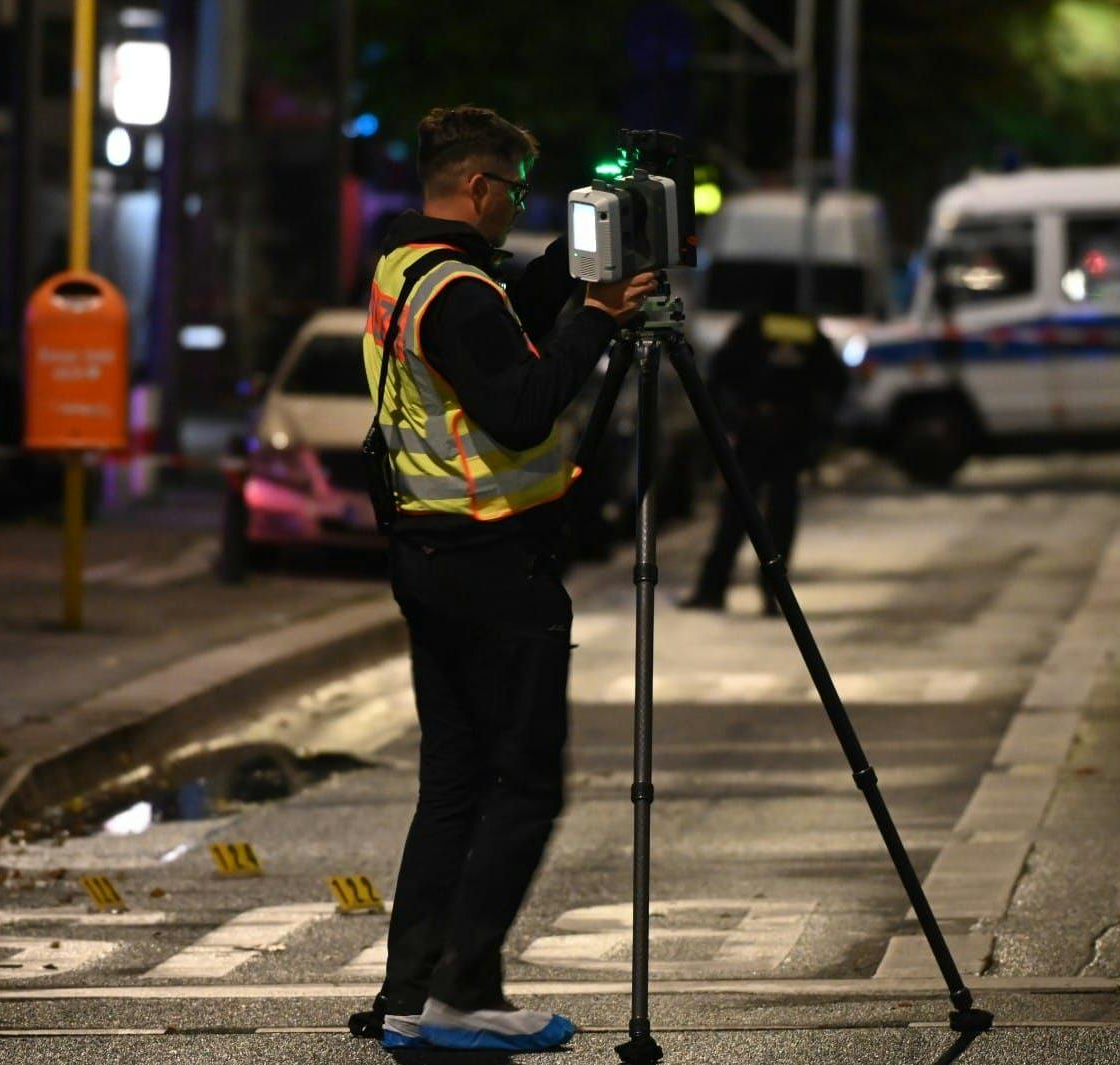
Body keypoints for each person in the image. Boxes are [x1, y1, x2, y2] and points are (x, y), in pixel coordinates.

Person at [352, 105, 655, 1051]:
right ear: (477, 186)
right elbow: (522, 407)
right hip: (492, 564)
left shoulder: (410, 270)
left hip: (429, 555)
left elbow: (504, 308)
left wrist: (577, 255)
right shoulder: (460, 291)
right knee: (524, 785)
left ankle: (409, 994)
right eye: (514, 192)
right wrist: (597, 323)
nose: (515, 210)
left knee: (452, 783)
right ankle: (464, 991)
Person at [680, 307, 849, 615]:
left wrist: (730, 419)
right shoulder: (805, 330)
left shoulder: (751, 328)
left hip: (757, 433)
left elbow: (718, 377)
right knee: (778, 519)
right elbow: (835, 383)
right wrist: (817, 429)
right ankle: (773, 595)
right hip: (788, 435)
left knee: (736, 516)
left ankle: (713, 590)